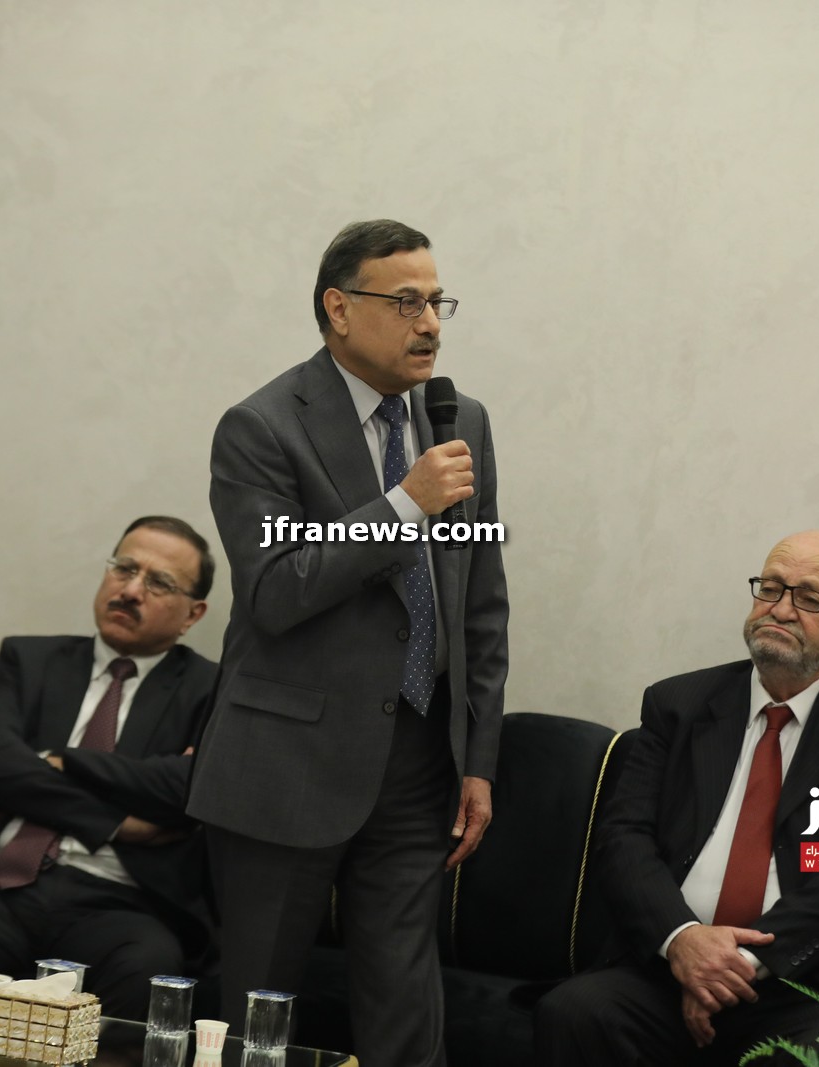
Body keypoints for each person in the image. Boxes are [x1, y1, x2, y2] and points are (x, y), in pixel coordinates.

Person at [188, 219, 509, 1066]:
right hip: (284, 762)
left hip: (417, 759)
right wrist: (403, 506)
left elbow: (481, 603)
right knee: (256, 1015)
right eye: (406, 302)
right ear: (338, 308)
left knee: (406, 1005)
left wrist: (477, 756)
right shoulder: (262, 426)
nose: (430, 323)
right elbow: (275, 588)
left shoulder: (460, 421)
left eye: (437, 302)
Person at [535, 530, 819, 1065]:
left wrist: (731, 968)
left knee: (817, 1057)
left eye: (810, 598)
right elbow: (623, 837)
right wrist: (683, 942)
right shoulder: (678, 703)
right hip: (667, 963)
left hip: (796, 982)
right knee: (574, 1013)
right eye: (771, 588)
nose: (781, 609)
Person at [0, 517, 217, 1021]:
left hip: (121, 904)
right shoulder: (30, 659)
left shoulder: (209, 690)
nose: (130, 590)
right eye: (124, 568)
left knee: (147, 967)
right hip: (0, 887)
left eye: (158, 582)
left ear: (192, 614)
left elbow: (184, 788)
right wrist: (116, 822)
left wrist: (61, 760)